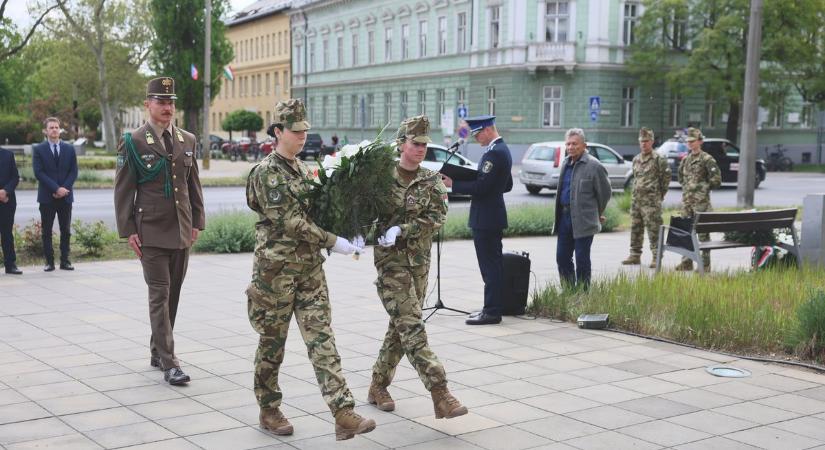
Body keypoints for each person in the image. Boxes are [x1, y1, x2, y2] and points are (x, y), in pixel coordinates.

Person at [245, 99, 375, 441]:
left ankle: (343, 412)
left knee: (322, 339)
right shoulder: (266, 173)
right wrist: (333, 241)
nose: (302, 136)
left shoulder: (305, 170)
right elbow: (290, 222)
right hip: (276, 275)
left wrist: (348, 228)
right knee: (272, 344)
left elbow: (318, 213)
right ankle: (269, 408)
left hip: (310, 272)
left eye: (305, 130)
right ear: (278, 132)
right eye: (295, 131)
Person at [369, 115, 467, 419]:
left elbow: (438, 218)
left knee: (400, 327)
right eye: (416, 143)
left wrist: (404, 229)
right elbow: (363, 214)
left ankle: (377, 385)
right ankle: (441, 393)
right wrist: (371, 232)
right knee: (412, 326)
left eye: (425, 144)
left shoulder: (431, 180)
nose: (422, 148)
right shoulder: (380, 179)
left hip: (419, 266)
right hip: (391, 265)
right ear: (402, 144)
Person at [113, 77, 205, 386]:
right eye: (161, 102)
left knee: (173, 294)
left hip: (180, 230)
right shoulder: (134, 141)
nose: (167, 107)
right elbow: (123, 189)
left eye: (171, 102)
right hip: (150, 231)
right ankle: (170, 363)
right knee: (159, 295)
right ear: (148, 105)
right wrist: (128, 230)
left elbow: (193, 186)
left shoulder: (187, 139)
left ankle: (157, 350)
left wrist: (197, 222)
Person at [442, 115, 513, 325]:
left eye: (477, 134)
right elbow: (506, 184)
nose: (475, 138)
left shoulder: (494, 153)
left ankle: (492, 312)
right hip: (491, 215)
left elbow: (482, 187)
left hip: (486, 218)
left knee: (489, 267)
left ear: (488, 130)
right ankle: (492, 307)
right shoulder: (501, 150)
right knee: (493, 265)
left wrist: (454, 184)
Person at [552, 128, 611, 289]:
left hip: (584, 221)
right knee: (562, 257)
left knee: (582, 259)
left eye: (575, 144)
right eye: (568, 144)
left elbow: (605, 193)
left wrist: (597, 213)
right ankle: (569, 291)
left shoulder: (594, 166)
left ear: (584, 145)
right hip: (564, 218)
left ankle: (583, 294)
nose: (571, 147)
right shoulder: (566, 163)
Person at [32, 117, 78, 272]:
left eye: (56, 127)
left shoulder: (69, 149)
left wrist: (63, 189)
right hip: (47, 197)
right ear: (45, 131)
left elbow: (73, 172)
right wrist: (56, 189)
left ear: (60, 130)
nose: (54, 130)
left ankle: (65, 261)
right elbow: (39, 173)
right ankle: (49, 262)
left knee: (66, 230)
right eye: (51, 127)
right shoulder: (38, 149)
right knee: (47, 231)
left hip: (66, 196)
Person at [621, 127, 671, 268]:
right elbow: (636, 179)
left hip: (651, 202)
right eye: (641, 141)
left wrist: (658, 196)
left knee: (654, 229)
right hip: (637, 201)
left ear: (652, 141)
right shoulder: (636, 159)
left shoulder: (659, 159)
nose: (644, 144)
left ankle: (656, 256)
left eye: (646, 141)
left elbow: (666, 179)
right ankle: (635, 255)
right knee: (636, 228)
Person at [676, 127, 721, 271]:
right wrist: (689, 188)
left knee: (703, 234)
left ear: (700, 141)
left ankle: (705, 265)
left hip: (701, 204)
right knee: (685, 232)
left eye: (693, 141)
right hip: (687, 203)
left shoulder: (707, 159)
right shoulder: (686, 160)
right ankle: (686, 262)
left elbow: (717, 180)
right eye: (688, 141)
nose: (690, 143)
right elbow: (680, 178)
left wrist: (702, 188)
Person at [0, 146, 22, 275]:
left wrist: (5, 191)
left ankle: (10, 265)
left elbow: (15, 177)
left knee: (7, 234)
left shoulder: (8, 155)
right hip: (3, 197)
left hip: (7, 201)